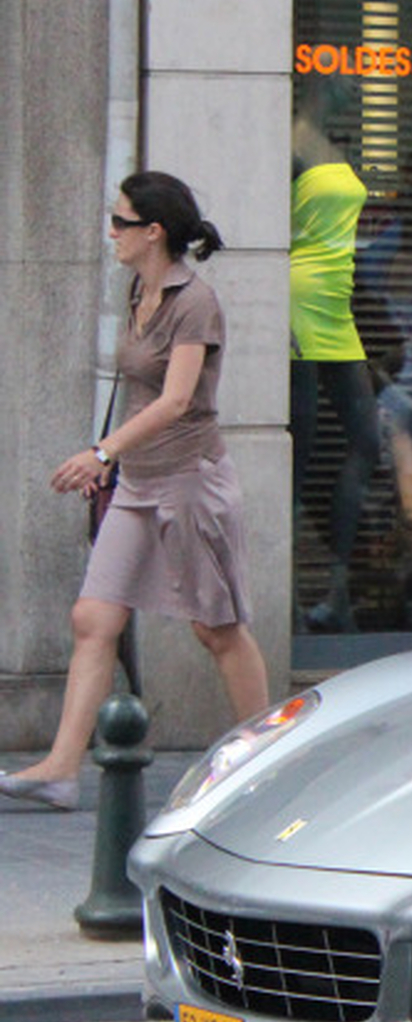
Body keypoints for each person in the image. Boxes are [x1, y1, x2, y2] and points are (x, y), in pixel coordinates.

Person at [0, 174, 270, 809]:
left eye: (121, 222)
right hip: (138, 482)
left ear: (154, 232)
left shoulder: (193, 302)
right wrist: (112, 462)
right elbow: (141, 394)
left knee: (217, 628)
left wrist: (102, 451)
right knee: (93, 618)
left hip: (190, 483)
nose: (111, 232)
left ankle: (267, 757)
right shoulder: (137, 290)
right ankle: (62, 769)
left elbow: (177, 400)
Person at [289, 80, 382, 633]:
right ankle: (295, 597)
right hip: (299, 297)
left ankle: (337, 582)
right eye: (343, 79)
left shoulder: (334, 144)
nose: (354, 87)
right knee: (299, 453)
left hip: (336, 297)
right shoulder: (289, 143)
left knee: (365, 440)